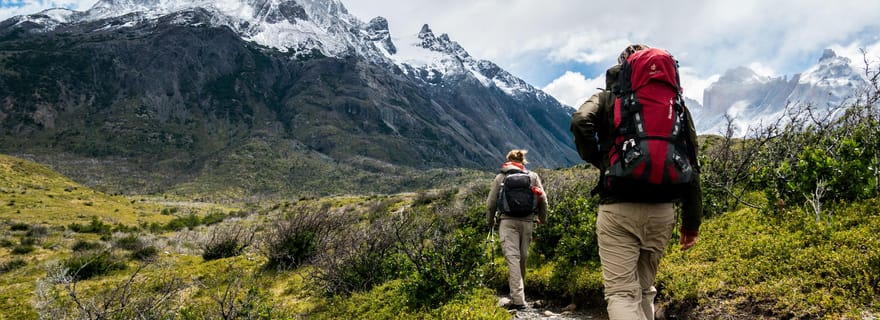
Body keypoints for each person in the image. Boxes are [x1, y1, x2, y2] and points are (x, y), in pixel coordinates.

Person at [570, 44, 703, 319]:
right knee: (645, 289)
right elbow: (691, 162)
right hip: (662, 212)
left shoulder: (608, 99)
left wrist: (600, 159)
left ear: (624, 69)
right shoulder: (676, 106)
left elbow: (581, 121)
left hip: (618, 207)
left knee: (621, 293)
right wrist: (691, 223)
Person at [486, 149, 548, 310]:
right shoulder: (532, 176)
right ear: (523, 161)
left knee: (512, 258)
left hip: (507, 222)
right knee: (523, 257)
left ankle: (518, 300)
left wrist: (490, 220)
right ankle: (519, 295)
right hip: (528, 222)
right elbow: (543, 199)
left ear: (508, 160)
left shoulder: (501, 177)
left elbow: (491, 203)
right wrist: (542, 218)